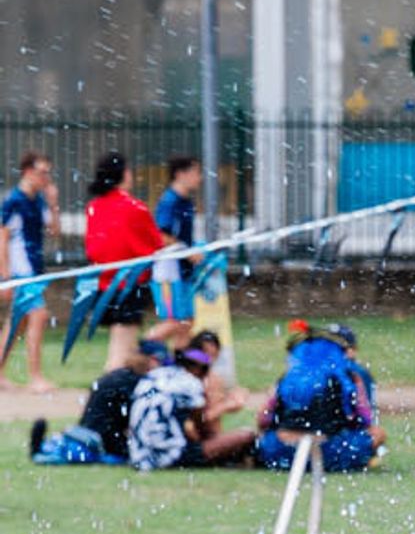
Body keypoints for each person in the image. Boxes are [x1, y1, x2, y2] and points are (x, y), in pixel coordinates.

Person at [253, 322, 384, 471]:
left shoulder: (288, 379)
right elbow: (364, 419)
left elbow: (263, 419)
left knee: (263, 436)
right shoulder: (349, 377)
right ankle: (361, 461)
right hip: (331, 453)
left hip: (282, 453)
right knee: (377, 434)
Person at [126, 333, 255, 470]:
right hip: (168, 456)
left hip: (139, 455)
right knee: (246, 435)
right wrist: (226, 406)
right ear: (199, 369)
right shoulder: (190, 383)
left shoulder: (154, 375)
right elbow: (203, 425)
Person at [81, 157, 164, 359]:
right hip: (129, 286)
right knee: (121, 354)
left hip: (103, 286)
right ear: (124, 174)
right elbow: (155, 244)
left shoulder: (94, 207)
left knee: (124, 349)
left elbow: (93, 248)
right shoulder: (134, 207)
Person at [1, 150, 52, 387]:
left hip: (34, 269)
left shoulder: (39, 200)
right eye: (42, 173)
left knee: (17, 322)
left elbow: (54, 231)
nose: (46, 178)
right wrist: (5, 276)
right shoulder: (14, 200)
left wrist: (54, 203)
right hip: (21, 271)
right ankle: (35, 377)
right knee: (39, 316)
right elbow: (2, 237)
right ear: (28, 172)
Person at [153, 154, 202, 326]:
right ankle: (145, 343)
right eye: (196, 172)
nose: (200, 178)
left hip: (184, 270)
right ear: (180, 174)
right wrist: (187, 252)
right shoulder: (169, 201)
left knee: (187, 323)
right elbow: (161, 235)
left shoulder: (186, 201)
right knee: (172, 323)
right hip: (169, 271)